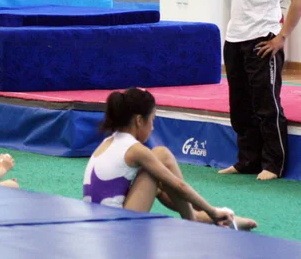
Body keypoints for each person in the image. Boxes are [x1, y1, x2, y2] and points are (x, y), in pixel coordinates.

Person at [83, 88, 257, 230]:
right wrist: (211, 210)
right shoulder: (134, 149)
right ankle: (200, 219)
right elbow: (179, 185)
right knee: (162, 155)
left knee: (158, 183)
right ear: (139, 120)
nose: (152, 127)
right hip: (116, 228)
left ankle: (210, 217)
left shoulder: (108, 142)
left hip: (98, 225)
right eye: (152, 120)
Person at [219, 0, 301, 181]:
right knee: (240, 107)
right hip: (235, 40)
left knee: (266, 105)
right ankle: (247, 160)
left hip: (262, 41)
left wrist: (282, 38)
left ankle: (273, 163)